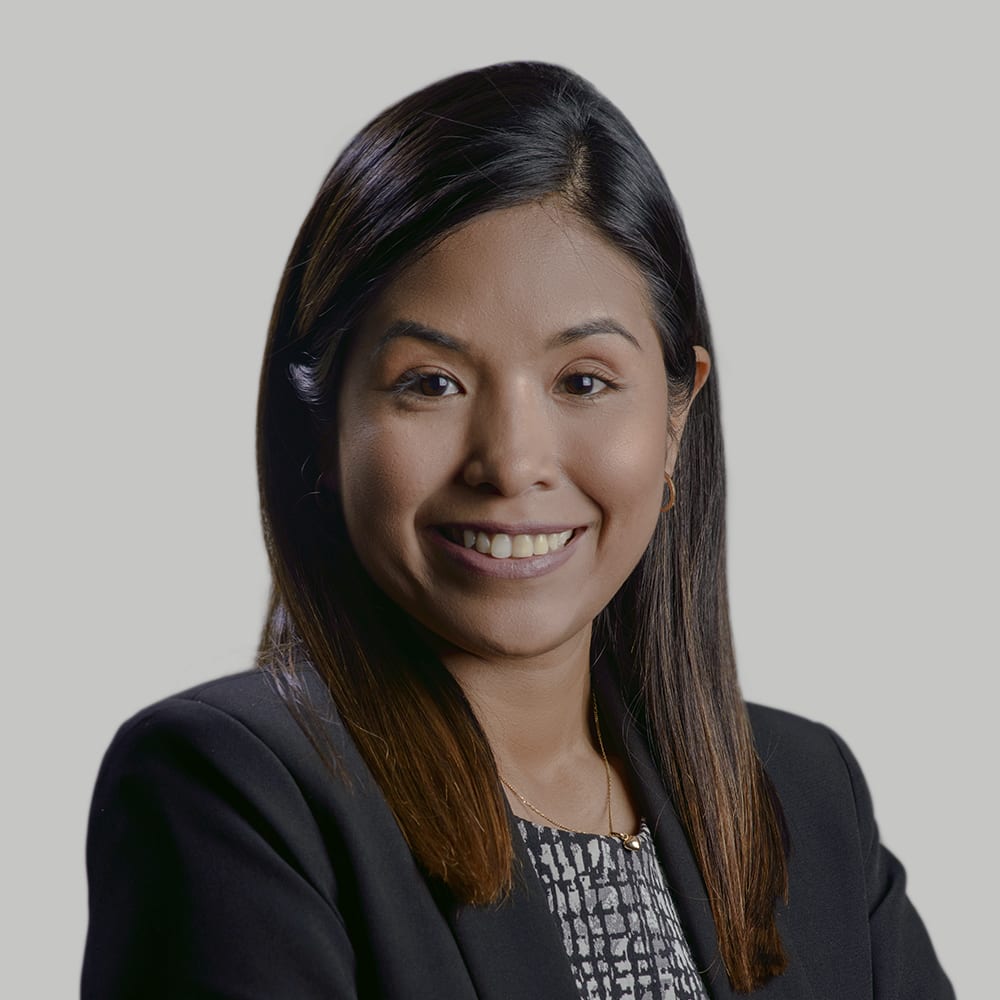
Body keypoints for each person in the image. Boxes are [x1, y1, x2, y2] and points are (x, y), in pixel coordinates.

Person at [81, 61, 954, 999]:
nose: (510, 461)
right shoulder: (232, 791)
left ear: (675, 418)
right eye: (431, 383)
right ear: (322, 427)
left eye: (583, 381)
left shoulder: (806, 799)